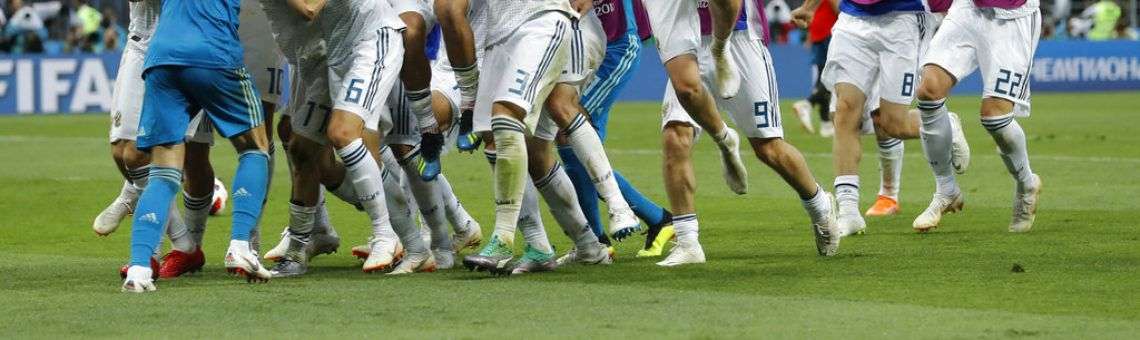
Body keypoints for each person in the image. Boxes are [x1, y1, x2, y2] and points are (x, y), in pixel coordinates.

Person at [655, 0, 841, 267]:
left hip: (740, 39)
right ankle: (687, 242)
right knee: (675, 136)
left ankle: (820, 206)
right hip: (687, 40)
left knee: (768, 147)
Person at [121, 0, 273, 292]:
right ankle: (240, 245)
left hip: (161, 57)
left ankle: (139, 269)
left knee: (163, 171)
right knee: (255, 146)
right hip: (213, 51)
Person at [791, 0, 969, 236]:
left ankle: (946, 125)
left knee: (891, 124)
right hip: (853, 18)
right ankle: (848, 211)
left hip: (904, 17)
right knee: (844, 111)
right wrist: (809, 7)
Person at [555, 0, 677, 259]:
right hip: (586, 51)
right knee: (574, 144)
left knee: (570, 132)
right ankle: (655, 220)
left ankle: (596, 240)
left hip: (617, 48)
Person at [912, 0, 1043, 233]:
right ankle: (946, 190)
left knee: (994, 118)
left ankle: (1027, 183)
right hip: (967, 10)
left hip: (1011, 15)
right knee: (928, 90)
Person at [643, 0, 753, 267]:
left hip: (730, 37)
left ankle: (720, 46)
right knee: (684, 96)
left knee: (769, 146)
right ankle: (688, 243)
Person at [791, 0, 837, 137]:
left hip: (819, 30)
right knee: (832, 76)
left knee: (823, 77)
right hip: (830, 31)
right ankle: (807, 104)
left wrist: (810, 35)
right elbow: (838, 9)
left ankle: (826, 124)